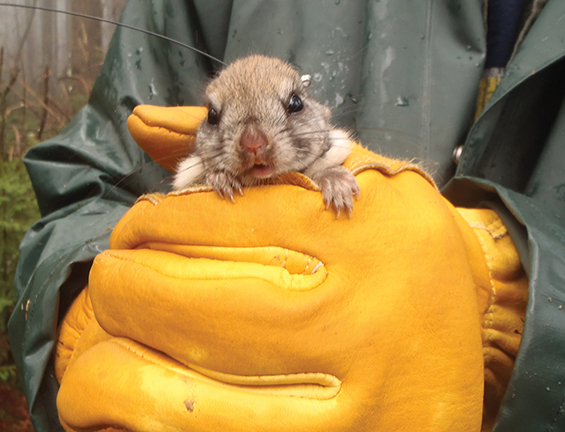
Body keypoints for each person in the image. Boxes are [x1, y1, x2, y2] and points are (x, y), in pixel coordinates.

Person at [8, 0, 565, 431]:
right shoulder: (205, 149)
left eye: (288, 108)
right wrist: (83, 307)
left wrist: (513, 309)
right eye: (224, 120)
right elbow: (91, 187)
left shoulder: (331, 149)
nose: (254, 145)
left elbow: (343, 163)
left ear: (310, 107)